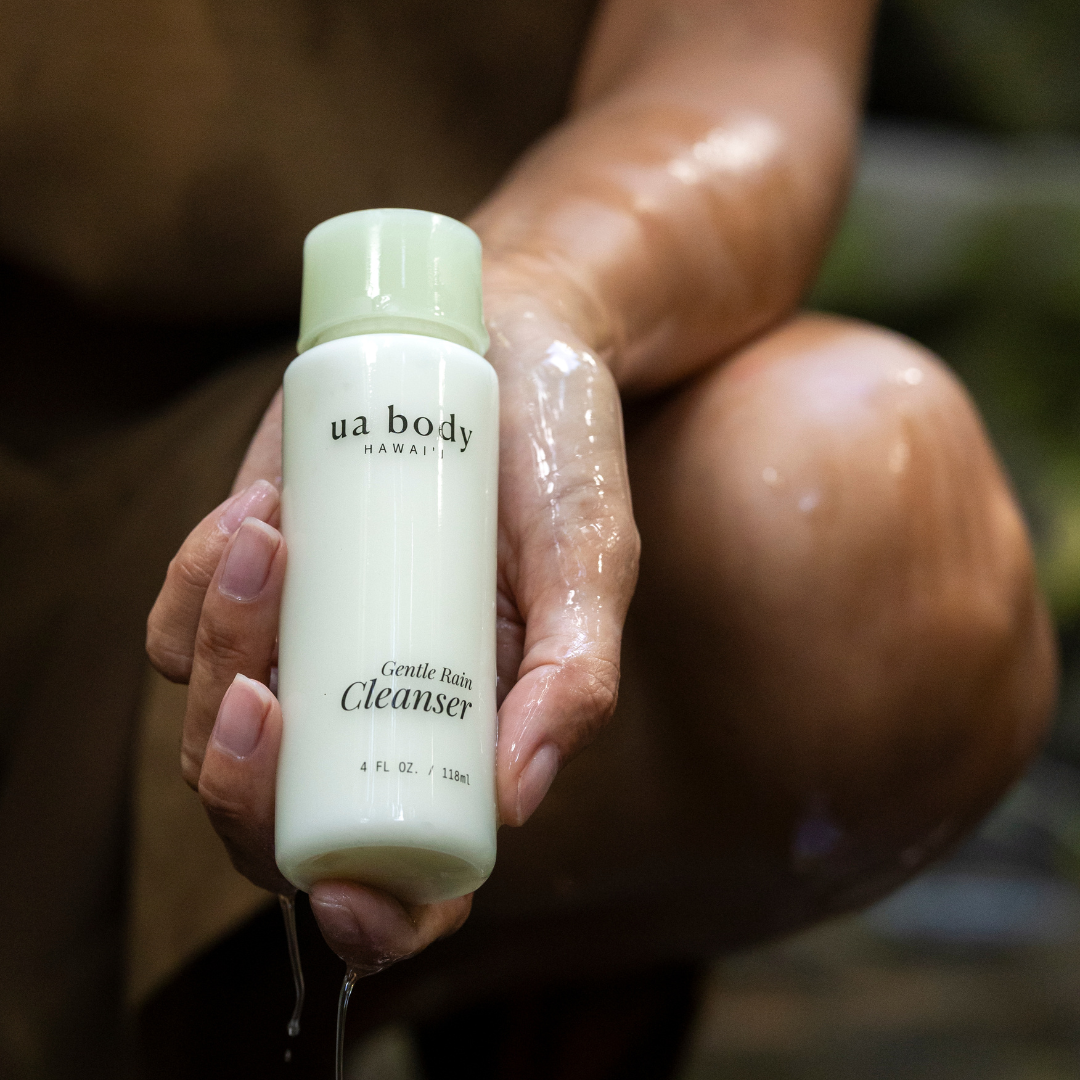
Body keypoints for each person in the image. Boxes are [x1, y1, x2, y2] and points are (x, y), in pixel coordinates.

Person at [0, 0, 1056, 1076]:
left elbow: (748, 57)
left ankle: (396, 979)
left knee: (868, 502)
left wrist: (544, 294)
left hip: (502, 311)